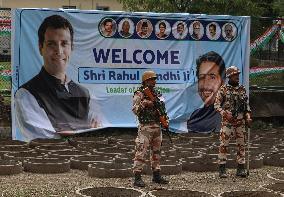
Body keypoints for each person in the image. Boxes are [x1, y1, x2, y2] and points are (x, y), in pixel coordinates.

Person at [14, 15, 100, 141]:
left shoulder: (85, 94)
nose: (59, 51)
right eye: (51, 44)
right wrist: (83, 132)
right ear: (40, 47)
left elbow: (98, 131)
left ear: (72, 48)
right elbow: (41, 138)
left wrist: (68, 132)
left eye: (64, 43)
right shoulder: (27, 94)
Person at [132, 70, 169, 187]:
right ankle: (137, 177)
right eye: (152, 79)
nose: (154, 81)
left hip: (157, 126)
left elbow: (162, 108)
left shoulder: (158, 93)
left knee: (156, 152)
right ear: (146, 81)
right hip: (145, 127)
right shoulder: (139, 94)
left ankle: (156, 175)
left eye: (154, 79)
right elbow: (135, 110)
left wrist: (165, 120)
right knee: (141, 151)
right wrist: (145, 103)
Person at [214, 66, 252, 178]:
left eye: (238, 75)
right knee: (224, 145)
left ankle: (240, 168)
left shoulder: (242, 89)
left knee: (241, 145)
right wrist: (225, 113)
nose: (237, 77)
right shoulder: (223, 89)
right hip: (228, 122)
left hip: (240, 122)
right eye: (235, 75)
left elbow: (246, 105)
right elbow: (216, 105)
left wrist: (248, 116)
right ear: (229, 76)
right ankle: (222, 169)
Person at [187, 51, 226, 133]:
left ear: (222, 82)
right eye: (202, 77)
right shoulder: (195, 116)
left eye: (212, 77)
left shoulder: (227, 115)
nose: (205, 84)